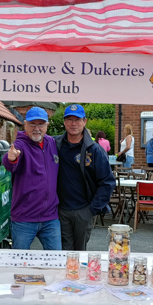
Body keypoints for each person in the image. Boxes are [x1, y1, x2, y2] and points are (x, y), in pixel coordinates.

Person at [54, 104, 116, 250]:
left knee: (80, 252)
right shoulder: (55, 145)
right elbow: (34, 138)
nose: (73, 123)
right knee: (63, 252)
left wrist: (92, 210)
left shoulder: (95, 150)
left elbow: (107, 182)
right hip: (60, 210)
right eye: (69, 119)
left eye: (77, 119)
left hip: (84, 210)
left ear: (84, 121)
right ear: (64, 122)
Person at [2, 106, 61, 250]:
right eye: (32, 124)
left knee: (57, 259)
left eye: (41, 124)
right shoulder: (20, 145)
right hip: (24, 218)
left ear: (47, 125)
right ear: (25, 124)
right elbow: (10, 162)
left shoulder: (52, 143)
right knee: (20, 260)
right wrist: (11, 158)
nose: (37, 128)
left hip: (50, 218)